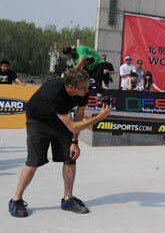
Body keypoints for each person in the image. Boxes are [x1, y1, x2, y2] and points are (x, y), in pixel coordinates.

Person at [8, 69, 112, 218]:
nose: (87, 90)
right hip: (38, 121)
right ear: (71, 87)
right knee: (33, 162)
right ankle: (16, 199)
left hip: (60, 121)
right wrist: (99, 118)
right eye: (84, 88)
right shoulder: (56, 93)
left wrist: (75, 142)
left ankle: (68, 199)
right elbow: (73, 126)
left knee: (70, 157)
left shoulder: (83, 91)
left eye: (88, 86)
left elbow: (80, 115)